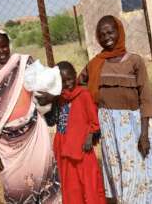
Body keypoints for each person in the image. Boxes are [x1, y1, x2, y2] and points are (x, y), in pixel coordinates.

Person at [0, 28, 60, 203]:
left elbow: (44, 83)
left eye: (4, 46)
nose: (1, 52)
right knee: (15, 186)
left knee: (44, 176)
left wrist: (51, 94)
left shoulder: (23, 63)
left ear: (9, 45)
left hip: (34, 136)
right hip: (7, 146)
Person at [78, 15, 152, 203]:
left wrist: (144, 134)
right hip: (108, 128)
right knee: (119, 173)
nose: (107, 37)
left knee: (138, 172)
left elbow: (145, 99)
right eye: (102, 34)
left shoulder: (135, 61)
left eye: (110, 31)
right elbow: (78, 86)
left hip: (133, 127)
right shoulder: (96, 63)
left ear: (119, 31)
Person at [41, 61, 106, 204]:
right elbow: (51, 121)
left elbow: (94, 122)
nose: (68, 83)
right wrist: (48, 102)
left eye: (70, 79)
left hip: (82, 147)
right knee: (70, 185)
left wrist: (90, 136)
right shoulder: (58, 99)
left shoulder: (84, 95)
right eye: (63, 81)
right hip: (63, 147)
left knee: (89, 183)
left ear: (75, 76)